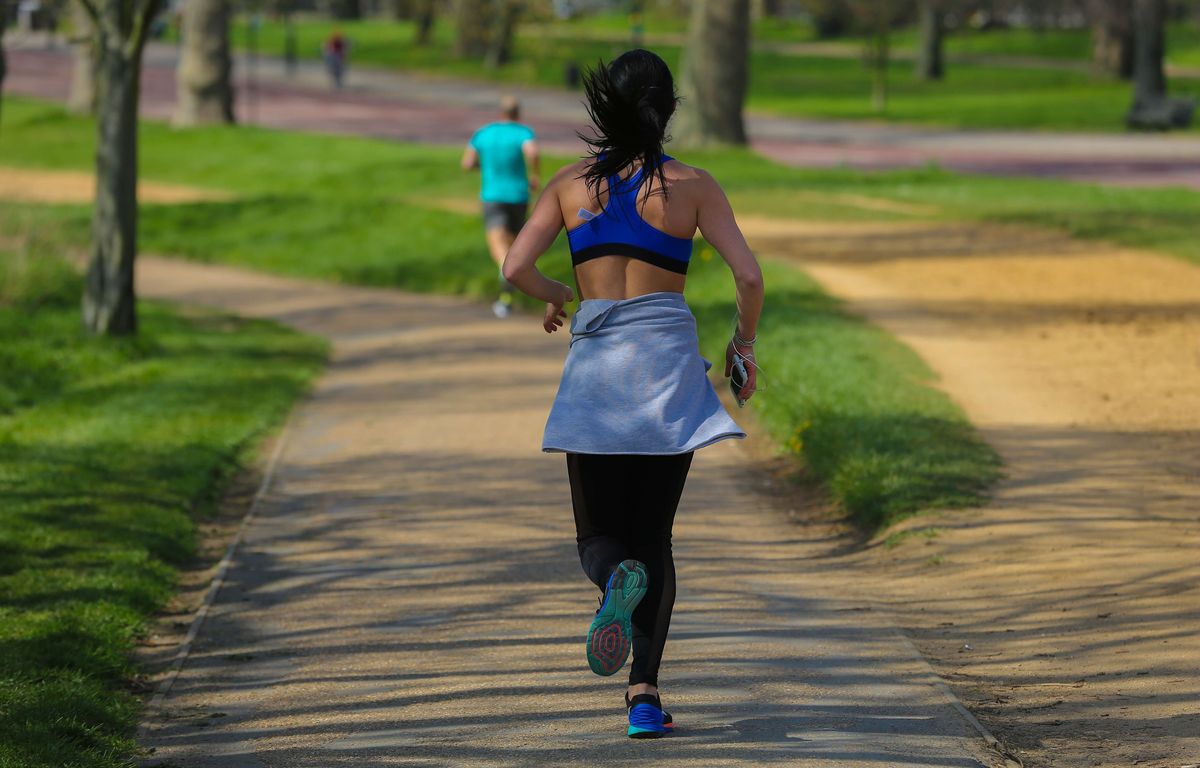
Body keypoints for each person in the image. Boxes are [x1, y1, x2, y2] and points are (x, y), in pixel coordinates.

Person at [501, 50, 763, 739]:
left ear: (602, 109)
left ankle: (614, 577)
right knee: (657, 538)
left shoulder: (568, 186)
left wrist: (560, 294)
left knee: (598, 536)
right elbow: (750, 277)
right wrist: (743, 345)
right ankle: (643, 697)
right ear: (669, 110)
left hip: (598, 373)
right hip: (667, 376)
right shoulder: (694, 186)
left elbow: (514, 266)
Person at [462, 96, 540, 318]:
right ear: (518, 112)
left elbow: (467, 163)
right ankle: (506, 295)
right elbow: (532, 152)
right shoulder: (523, 132)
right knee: (512, 244)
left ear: (501, 112)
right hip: (519, 195)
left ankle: (505, 274)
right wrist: (535, 175)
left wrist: (482, 165)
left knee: (498, 242)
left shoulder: (484, 133)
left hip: (493, 195)